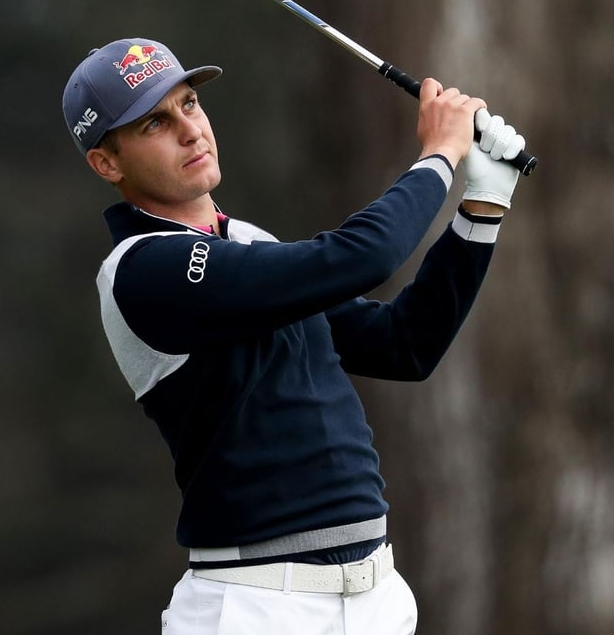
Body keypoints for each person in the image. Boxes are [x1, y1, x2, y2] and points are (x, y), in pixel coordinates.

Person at [61, 37, 525, 635]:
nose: (190, 130)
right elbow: (365, 256)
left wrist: (482, 207)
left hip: (375, 597)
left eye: (190, 105)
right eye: (156, 122)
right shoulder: (141, 271)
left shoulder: (250, 243)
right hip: (255, 606)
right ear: (108, 163)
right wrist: (440, 155)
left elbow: (404, 345)